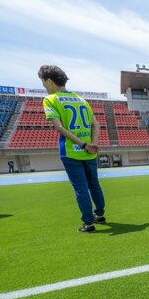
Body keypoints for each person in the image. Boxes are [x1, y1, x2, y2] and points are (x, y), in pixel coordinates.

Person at [38, 65, 106, 233]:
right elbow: (96, 125)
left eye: (43, 82)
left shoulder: (51, 99)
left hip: (71, 151)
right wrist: (93, 144)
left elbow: (59, 128)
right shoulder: (81, 100)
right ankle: (100, 214)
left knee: (81, 188)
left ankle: (88, 223)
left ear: (49, 81)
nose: (44, 86)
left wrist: (83, 144)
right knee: (94, 184)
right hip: (89, 152)